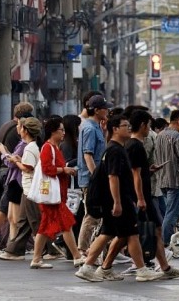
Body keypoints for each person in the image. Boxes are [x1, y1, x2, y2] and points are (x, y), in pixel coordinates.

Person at [74, 116, 161, 282]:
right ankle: (141, 270)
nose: (129, 128)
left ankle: (93, 268)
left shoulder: (115, 148)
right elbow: (112, 177)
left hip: (116, 199)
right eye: (125, 125)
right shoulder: (115, 150)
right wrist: (117, 202)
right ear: (115, 129)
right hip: (119, 199)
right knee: (131, 233)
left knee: (108, 233)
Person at [127, 110, 179, 280]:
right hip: (142, 196)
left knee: (156, 229)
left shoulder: (146, 141)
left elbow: (139, 172)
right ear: (142, 125)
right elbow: (135, 175)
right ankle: (133, 267)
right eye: (148, 125)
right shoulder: (136, 146)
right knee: (126, 235)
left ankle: (165, 267)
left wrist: (149, 170)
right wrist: (140, 198)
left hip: (150, 189)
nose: (150, 128)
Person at [30, 116, 83, 269]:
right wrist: (64, 170)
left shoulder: (54, 148)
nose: (63, 133)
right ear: (53, 132)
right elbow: (47, 169)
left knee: (45, 227)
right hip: (52, 197)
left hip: (55, 195)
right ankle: (77, 256)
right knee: (66, 224)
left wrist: (64, 170)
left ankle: (36, 259)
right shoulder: (48, 148)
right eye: (61, 130)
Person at [0, 117, 42, 261]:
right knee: (25, 222)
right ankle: (15, 250)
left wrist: (16, 160)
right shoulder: (31, 146)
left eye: (21, 127)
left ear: (26, 130)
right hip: (27, 188)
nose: (19, 129)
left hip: (29, 189)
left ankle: (49, 247)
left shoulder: (29, 148)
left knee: (33, 222)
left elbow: (27, 168)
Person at [77, 93, 110, 254]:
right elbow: (88, 155)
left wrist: (104, 131)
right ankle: (83, 250)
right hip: (90, 179)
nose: (107, 111)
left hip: (94, 177)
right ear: (96, 110)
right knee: (92, 215)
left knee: (96, 215)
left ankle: (90, 249)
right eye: (104, 108)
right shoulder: (89, 128)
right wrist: (97, 177)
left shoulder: (95, 126)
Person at [155, 110, 179, 246]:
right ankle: (165, 243)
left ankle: (164, 241)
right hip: (175, 180)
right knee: (171, 214)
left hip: (162, 180)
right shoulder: (178, 137)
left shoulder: (159, 135)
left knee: (167, 212)